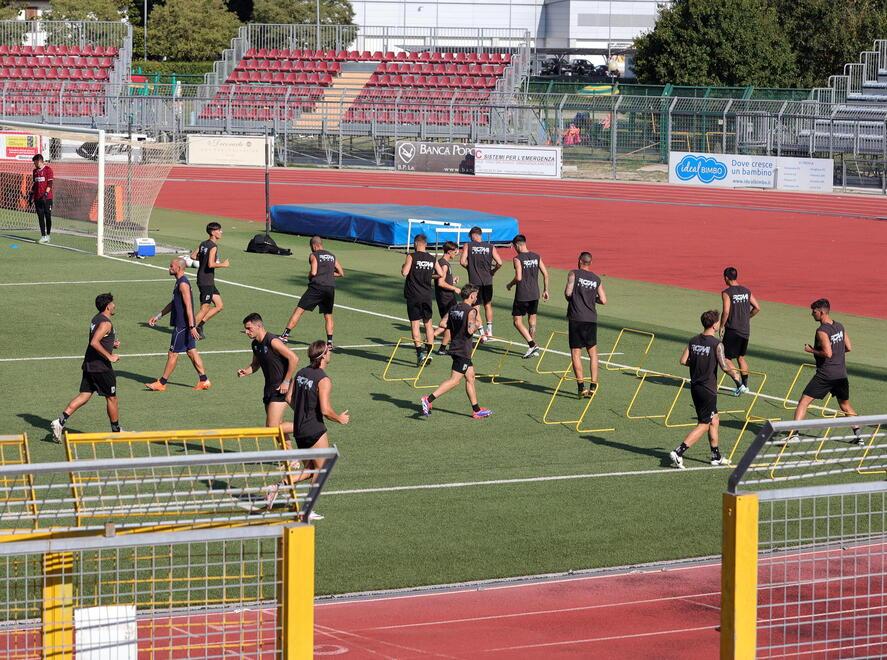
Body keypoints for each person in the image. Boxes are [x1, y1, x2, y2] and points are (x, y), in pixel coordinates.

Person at [277, 340, 350, 520]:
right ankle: (307, 510)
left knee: (311, 468)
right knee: (321, 469)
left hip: (300, 429)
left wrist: (301, 411)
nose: (330, 353)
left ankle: (279, 486)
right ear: (323, 355)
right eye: (328, 350)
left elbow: (288, 398)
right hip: (314, 428)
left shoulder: (301, 373)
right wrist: (339, 418)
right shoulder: (323, 379)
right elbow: (325, 410)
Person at [669, 310, 740, 469]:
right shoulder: (717, 344)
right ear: (715, 325)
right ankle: (678, 452)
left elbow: (683, 361)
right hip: (708, 389)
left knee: (714, 419)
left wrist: (698, 363)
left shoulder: (693, 340)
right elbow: (724, 366)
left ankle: (716, 456)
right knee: (704, 423)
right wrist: (737, 378)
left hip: (696, 387)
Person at [51, 293, 121, 441]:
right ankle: (116, 431)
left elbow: (99, 338)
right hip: (101, 367)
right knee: (112, 398)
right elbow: (94, 342)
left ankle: (60, 421)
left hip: (90, 364)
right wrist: (110, 356)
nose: (114, 305)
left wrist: (111, 343)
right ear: (108, 306)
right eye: (112, 303)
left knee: (84, 395)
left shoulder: (96, 319)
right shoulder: (106, 323)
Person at [420, 285, 493, 420]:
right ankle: (428, 399)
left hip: (455, 346)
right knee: (454, 381)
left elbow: (443, 323)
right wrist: (477, 324)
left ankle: (476, 410)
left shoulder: (454, 308)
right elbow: (470, 330)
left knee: (470, 377)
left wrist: (456, 326)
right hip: (463, 349)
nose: (476, 298)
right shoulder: (471, 311)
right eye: (476, 296)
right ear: (471, 296)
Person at [793, 299, 861, 442]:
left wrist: (811, 350)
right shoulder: (839, 326)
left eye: (814, 311)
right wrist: (836, 352)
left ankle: (794, 434)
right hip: (841, 374)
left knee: (803, 402)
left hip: (826, 375)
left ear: (822, 312)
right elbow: (848, 347)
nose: (812, 314)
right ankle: (859, 437)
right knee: (845, 405)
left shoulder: (822, 331)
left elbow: (828, 353)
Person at [145, 257, 211, 391]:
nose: (169, 268)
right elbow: (173, 303)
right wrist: (158, 316)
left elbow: (188, 307)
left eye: (171, 266)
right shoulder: (179, 282)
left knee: (173, 354)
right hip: (185, 325)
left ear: (179, 268)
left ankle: (162, 383)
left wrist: (192, 327)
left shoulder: (183, 284)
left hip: (182, 326)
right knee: (191, 351)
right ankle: (204, 380)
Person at [238, 313, 299, 428]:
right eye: (245, 329)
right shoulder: (255, 344)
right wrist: (246, 371)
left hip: (281, 388)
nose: (246, 332)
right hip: (269, 388)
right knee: (277, 428)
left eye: (249, 328)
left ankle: (307, 426)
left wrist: (286, 381)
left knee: (272, 426)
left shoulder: (272, 341)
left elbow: (294, 358)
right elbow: (255, 364)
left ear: (259, 326)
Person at [282, 236, 343, 349]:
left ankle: (285, 335)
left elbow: (314, 272)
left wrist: (309, 275)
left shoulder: (314, 255)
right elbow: (341, 273)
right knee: (328, 315)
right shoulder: (332, 256)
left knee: (299, 310)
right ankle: (329, 342)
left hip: (317, 287)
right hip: (330, 288)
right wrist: (328, 273)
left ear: (315, 246)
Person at [565, 252, 606, 397]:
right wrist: (591, 298)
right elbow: (603, 300)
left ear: (579, 261)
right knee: (593, 352)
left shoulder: (573, 274)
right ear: (590, 263)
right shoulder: (596, 279)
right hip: (591, 319)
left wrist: (575, 296)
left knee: (576, 352)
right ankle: (593, 385)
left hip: (576, 318)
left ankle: (581, 386)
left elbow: (568, 293)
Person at [506, 234, 550, 359]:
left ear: (517, 245)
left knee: (517, 321)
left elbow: (519, 277)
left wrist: (510, 284)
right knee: (532, 319)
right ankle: (533, 348)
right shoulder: (536, 256)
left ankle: (532, 344)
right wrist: (546, 290)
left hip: (522, 294)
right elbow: (545, 274)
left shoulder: (517, 259)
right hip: (535, 293)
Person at [719, 267, 760, 395]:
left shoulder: (727, 292)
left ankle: (739, 384)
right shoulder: (746, 291)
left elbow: (726, 311)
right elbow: (757, 307)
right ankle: (745, 386)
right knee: (741, 357)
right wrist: (747, 317)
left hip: (732, 330)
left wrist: (721, 326)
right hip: (745, 330)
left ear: (726, 278)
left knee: (725, 358)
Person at [459, 227, 502, 339]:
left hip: (474, 282)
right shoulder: (490, 247)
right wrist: (493, 271)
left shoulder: (468, 246)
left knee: (476, 306)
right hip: (487, 281)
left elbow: (462, 261)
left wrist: (469, 268)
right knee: (488, 304)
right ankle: (490, 331)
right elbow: (500, 262)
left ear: (473, 235)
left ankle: (482, 333)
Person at [401, 234, 437, 366]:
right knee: (428, 324)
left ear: (416, 244)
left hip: (414, 295)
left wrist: (404, 267)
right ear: (425, 244)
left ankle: (420, 353)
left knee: (415, 324)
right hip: (426, 295)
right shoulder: (432, 258)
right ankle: (429, 352)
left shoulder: (412, 256)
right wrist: (428, 275)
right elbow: (441, 274)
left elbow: (405, 272)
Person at [191, 221, 229, 339]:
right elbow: (211, 264)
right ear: (213, 232)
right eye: (219, 230)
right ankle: (190, 329)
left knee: (219, 305)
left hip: (206, 279)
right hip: (206, 280)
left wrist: (203, 258)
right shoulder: (213, 246)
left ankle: (200, 325)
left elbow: (193, 256)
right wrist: (223, 265)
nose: (221, 232)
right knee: (205, 308)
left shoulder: (203, 243)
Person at [433, 241, 461, 356]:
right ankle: (431, 338)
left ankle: (443, 348)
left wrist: (452, 280)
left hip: (445, 297)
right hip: (446, 298)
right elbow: (440, 283)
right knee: (449, 323)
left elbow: (443, 280)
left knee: (450, 324)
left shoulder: (443, 263)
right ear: (449, 251)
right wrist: (455, 288)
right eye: (455, 251)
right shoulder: (444, 264)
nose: (456, 253)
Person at [29, 153, 53, 244]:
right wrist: (31, 195)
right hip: (37, 198)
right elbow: (35, 184)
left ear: (39, 161)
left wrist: (45, 194)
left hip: (47, 198)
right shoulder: (35, 171)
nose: (34, 164)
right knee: (40, 217)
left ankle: (48, 235)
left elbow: (50, 184)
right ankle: (43, 236)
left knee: (48, 216)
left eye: (35, 162)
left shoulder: (48, 170)